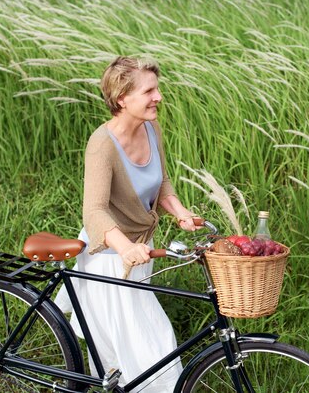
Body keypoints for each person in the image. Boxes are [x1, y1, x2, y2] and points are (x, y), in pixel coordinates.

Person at [55, 56, 202, 392]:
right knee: (152, 342)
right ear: (122, 98)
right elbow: (93, 211)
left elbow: (161, 181)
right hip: (109, 257)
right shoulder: (102, 145)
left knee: (127, 346)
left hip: (139, 253)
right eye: (149, 90)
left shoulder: (151, 128)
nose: (159, 97)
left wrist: (180, 212)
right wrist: (125, 247)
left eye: (157, 88)